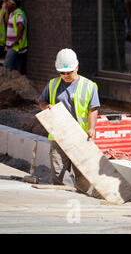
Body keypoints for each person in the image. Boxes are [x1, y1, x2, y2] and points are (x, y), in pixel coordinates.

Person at [38, 48, 101, 196]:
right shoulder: (53, 84)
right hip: (58, 134)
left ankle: (82, 195)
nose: (65, 75)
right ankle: (66, 196)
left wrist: (92, 128)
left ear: (77, 67)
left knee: (82, 172)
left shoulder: (89, 85)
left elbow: (93, 109)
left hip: (80, 135)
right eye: (62, 73)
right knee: (58, 169)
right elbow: (42, 101)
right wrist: (47, 107)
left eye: (69, 72)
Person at [4, 0, 28, 72]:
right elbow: (7, 21)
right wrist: (7, 10)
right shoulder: (12, 13)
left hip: (15, 47)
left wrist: (15, 41)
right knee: (12, 68)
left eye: (8, 2)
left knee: (7, 68)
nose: (6, 3)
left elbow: (20, 28)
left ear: (14, 4)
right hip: (11, 46)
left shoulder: (19, 14)